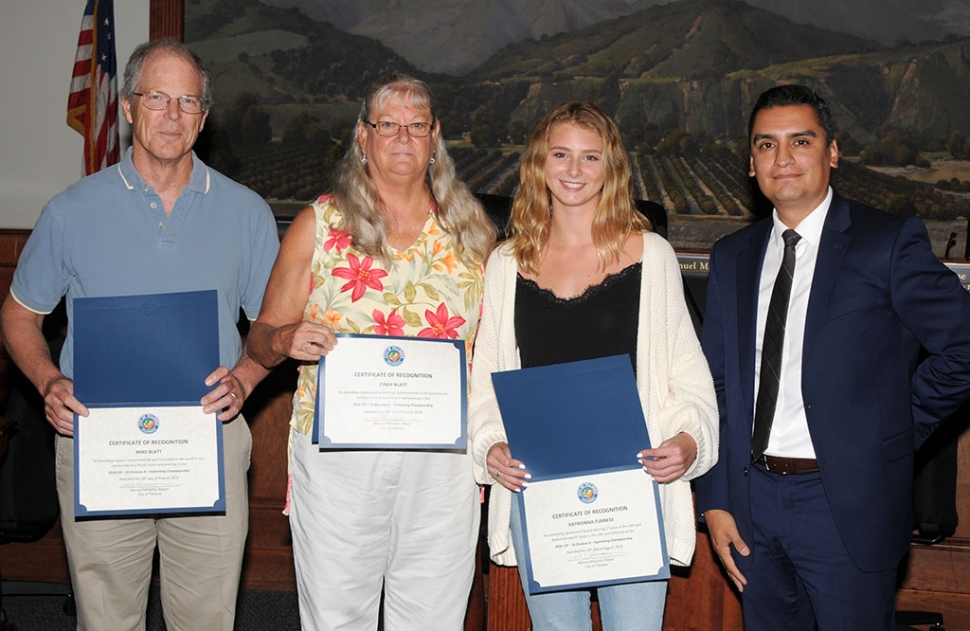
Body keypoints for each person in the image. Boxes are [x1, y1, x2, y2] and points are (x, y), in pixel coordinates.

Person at [0, 39, 279, 631]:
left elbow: (270, 328)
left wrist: (248, 376)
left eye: (187, 101)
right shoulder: (70, 211)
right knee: (105, 618)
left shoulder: (248, 213)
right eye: (157, 97)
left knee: (206, 618)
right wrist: (48, 381)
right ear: (129, 107)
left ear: (204, 118)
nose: (172, 114)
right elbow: (18, 315)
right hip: (98, 438)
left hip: (210, 437)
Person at [694, 84, 970, 630]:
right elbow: (719, 387)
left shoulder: (886, 242)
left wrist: (893, 424)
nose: (783, 158)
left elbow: (964, 346)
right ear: (751, 164)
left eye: (800, 140)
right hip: (752, 504)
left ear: (832, 152)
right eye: (766, 145)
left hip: (845, 502)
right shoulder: (732, 257)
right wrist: (716, 500)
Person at [245, 73, 496, 630]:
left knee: (432, 619)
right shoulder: (320, 223)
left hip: (443, 464)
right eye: (388, 124)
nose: (403, 137)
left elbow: (502, 346)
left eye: (417, 125)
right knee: (336, 618)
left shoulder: (473, 230)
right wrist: (286, 340)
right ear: (363, 135)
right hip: (339, 460)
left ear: (435, 137)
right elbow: (261, 337)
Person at [467, 101, 719, 630]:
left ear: (612, 169)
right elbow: (486, 380)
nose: (574, 171)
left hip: (634, 486)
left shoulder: (652, 256)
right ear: (539, 163)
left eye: (590, 157)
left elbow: (690, 378)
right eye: (561, 155)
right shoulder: (505, 263)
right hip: (538, 487)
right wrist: (491, 444)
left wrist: (688, 443)